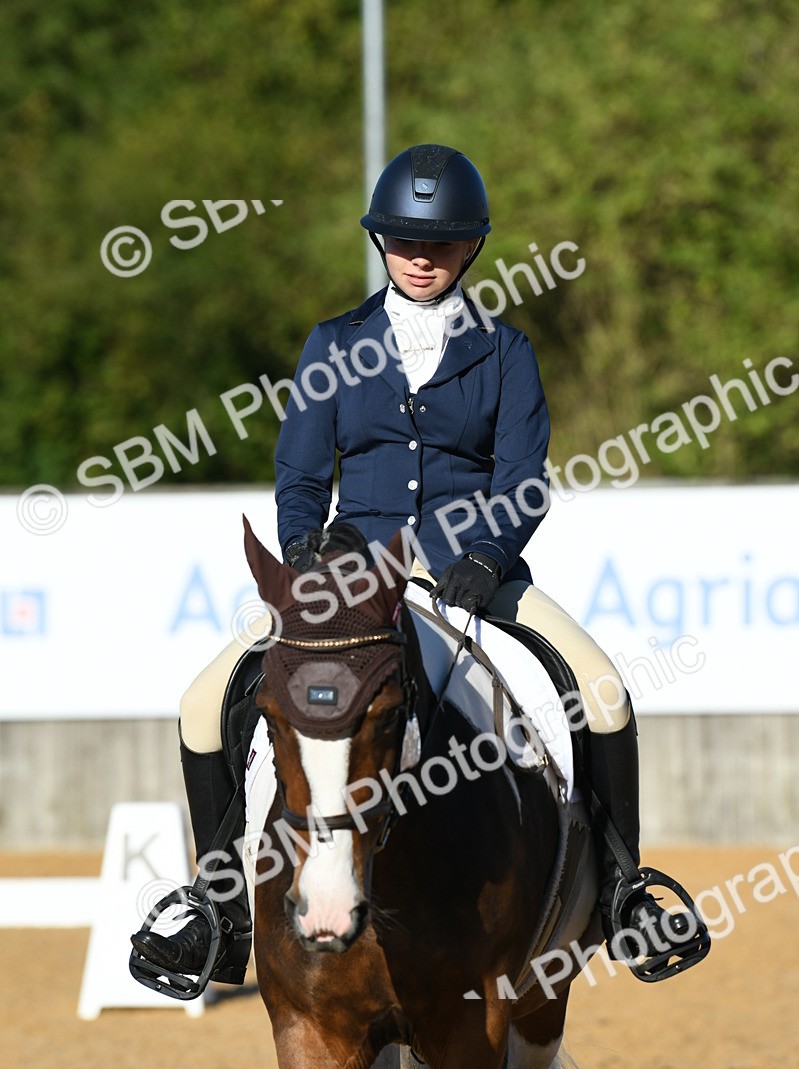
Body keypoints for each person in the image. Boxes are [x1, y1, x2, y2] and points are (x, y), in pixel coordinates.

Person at [131, 144, 707, 986]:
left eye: (439, 244)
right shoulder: (334, 343)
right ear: (380, 242)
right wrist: (306, 563)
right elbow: (299, 476)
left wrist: (484, 552)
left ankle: (624, 891)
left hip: (474, 573)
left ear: (470, 246)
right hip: (349, 583)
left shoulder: (505, 351)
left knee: (606, 691)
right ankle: (216, 909)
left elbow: (522, 479)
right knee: (198, 705)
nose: (420, 257)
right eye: (403, 241)